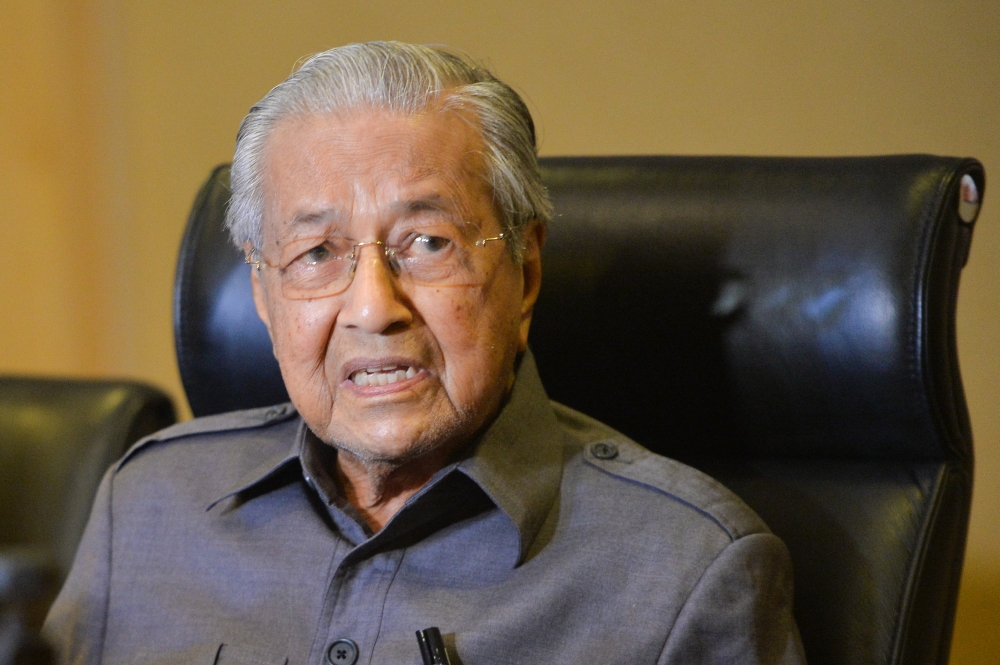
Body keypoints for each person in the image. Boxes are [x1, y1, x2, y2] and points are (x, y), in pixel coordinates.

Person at [44, 41, 805, 665]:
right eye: (316, 253)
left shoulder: (686, 570)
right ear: (264, 297)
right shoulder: (149, 505)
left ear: (526, 272)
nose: (374, 308)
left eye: (428, 243)